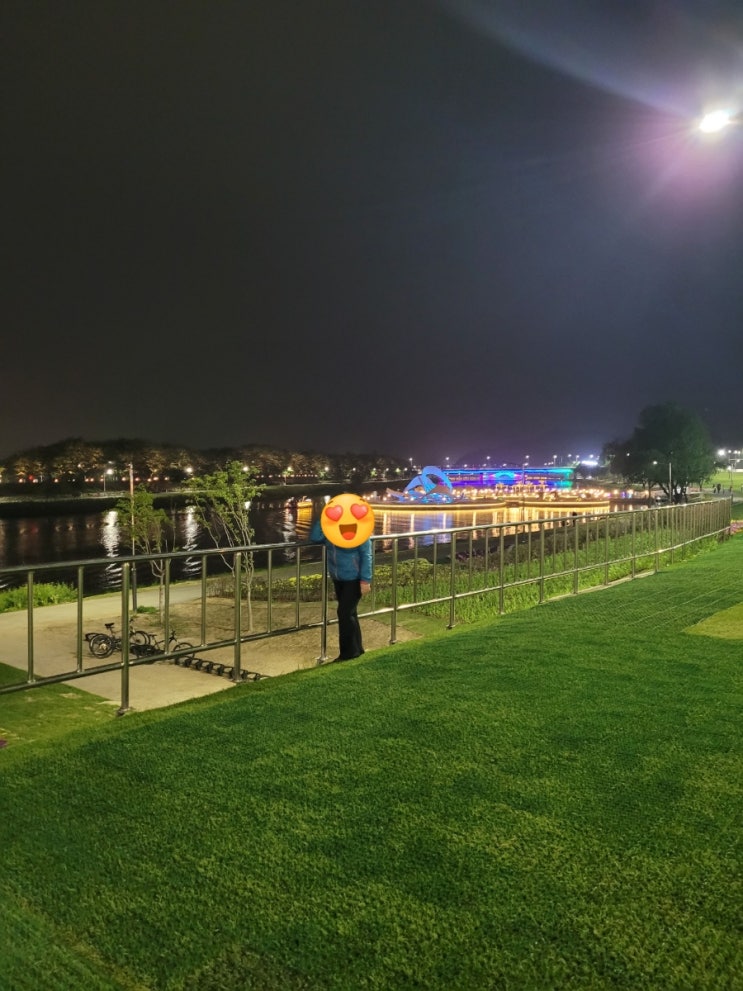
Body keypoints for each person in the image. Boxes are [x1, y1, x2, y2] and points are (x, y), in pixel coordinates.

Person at [310, 513, 372, 662]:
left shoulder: (359, 530)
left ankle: (348, 653)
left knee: (344, 613)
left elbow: (366, 555)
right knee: (350, 614)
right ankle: (357, 649)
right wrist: (323, 518)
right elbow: (315, 537)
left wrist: (365, 580)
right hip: (338, 578)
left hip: (354, 579)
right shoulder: (331, 531)